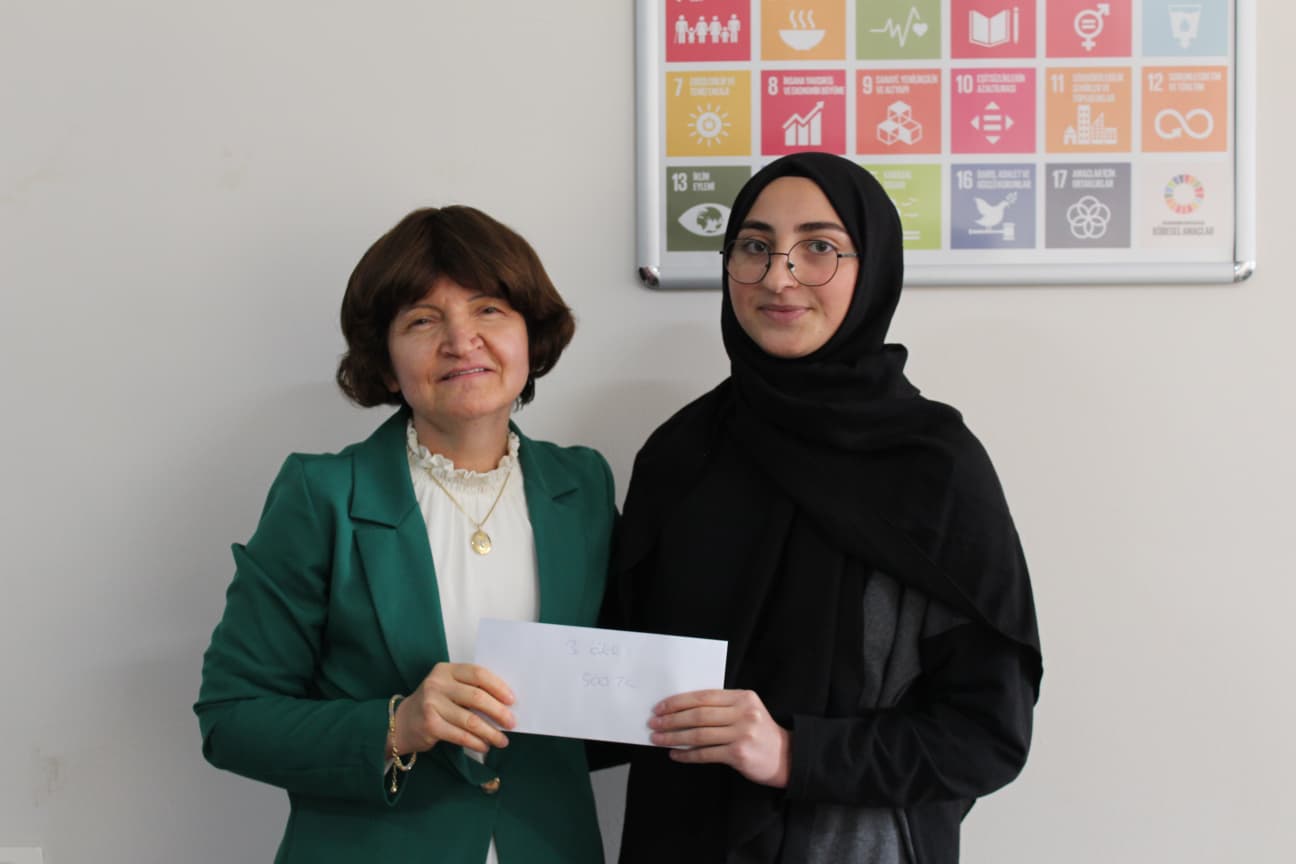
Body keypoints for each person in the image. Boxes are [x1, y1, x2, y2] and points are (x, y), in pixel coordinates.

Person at [605, 153, 1042, 863]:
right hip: (679, 841)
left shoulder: (932, 468)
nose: (779, 277)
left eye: (819, 248)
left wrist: (793, 753)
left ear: (873, 270)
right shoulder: (680, 454)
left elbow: (987, 734)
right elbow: (623, 675)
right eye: (754, 247)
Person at [195, 205, 614, 864]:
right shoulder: (322, 496)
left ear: (531, 337)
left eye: (489, 309)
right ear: (386, 363)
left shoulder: (582, 487)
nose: (461, 340)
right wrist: (396, 725)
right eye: (422, 320)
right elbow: (231, 716)